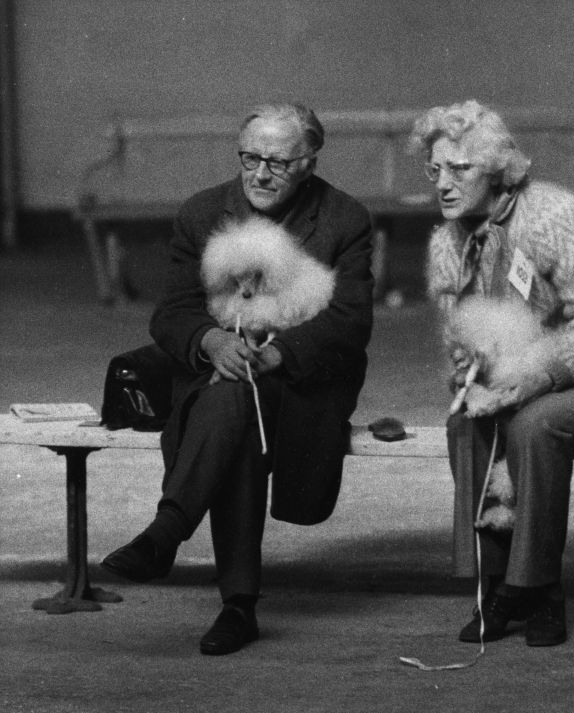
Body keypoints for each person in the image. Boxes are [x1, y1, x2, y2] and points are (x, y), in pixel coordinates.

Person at [101, 103, 374, 655]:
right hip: (220, 368)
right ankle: (236, 605)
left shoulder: (344, 218)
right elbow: (173, 310)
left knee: (233, 405)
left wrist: (281, 354)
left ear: (309, 162)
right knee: (231, 404)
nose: (260, 173)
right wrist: (211, 340)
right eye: (249, 158)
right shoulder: (204, 213)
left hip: (304, 375)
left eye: (277, 161)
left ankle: (167, 537)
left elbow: (350, 318)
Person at [409, 100, 574, 647]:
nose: (443, 184)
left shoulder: (555, 215)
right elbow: (458, 340)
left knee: (535, 425)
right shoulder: (445, 243)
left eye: (459, 169)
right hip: (508, 387)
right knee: (463, 422)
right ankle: (497, 583)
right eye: (435, 170)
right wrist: (468, 370)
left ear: (495, 168)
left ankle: (536, 588)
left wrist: (524, 384)